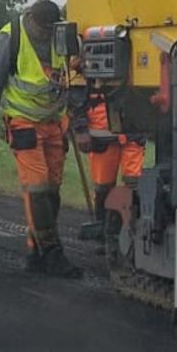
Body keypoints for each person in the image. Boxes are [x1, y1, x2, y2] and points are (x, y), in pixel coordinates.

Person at [0, 0, 82, 278]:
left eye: (51, 29)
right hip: (23, 123)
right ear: (31, 20)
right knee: (36, 188)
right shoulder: (9, 37)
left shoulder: (62, 36)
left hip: (54, 123)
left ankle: (36, 250)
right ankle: (52, 253)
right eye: (43, 29)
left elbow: (71, 77)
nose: (47, 34)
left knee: (52, 189)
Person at [74, 86, 144, 242]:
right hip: (102, 137)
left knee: (135, 184)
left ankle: (132, 233)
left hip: (133, 132)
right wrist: (80, 128)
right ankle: (104, 233)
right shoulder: (82, 66)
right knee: (103, 187)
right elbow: (76, 93)